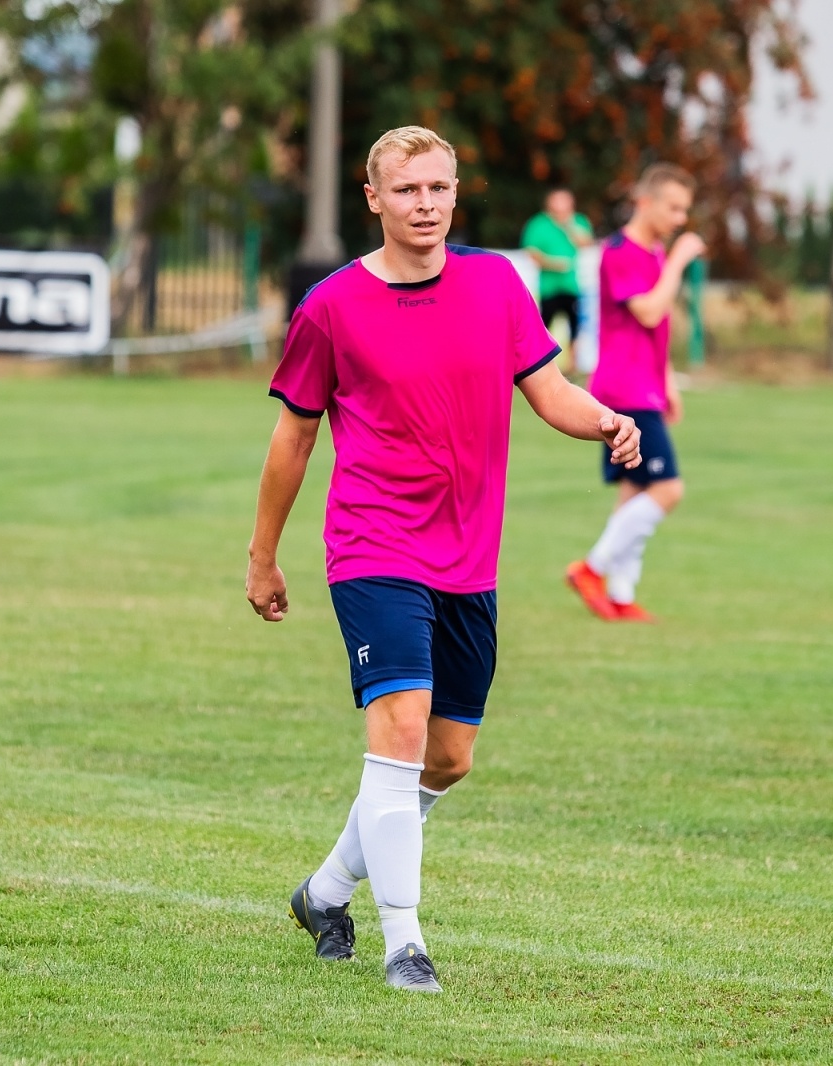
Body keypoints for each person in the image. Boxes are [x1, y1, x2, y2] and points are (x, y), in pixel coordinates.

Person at [246, 126, 640, 992]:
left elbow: (550, 391)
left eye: (438, 188)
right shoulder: (331, 306)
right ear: (374, 198)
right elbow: (292, 440)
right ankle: (403, 944)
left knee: (448, 757)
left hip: (469, 557)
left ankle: (323, 892)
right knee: (399, 728)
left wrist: (607, 418)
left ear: (455, 194)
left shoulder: (497, 284)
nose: (424, 204)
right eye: (407, 190)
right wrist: (263, 556)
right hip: (372, 544)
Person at [564, 164, 701, 622]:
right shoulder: (621, 251)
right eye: (674, 207)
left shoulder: (654, 253)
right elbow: (646, 311)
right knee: (668, 489)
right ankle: (592, 568)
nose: (681, 217)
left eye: (685, 209)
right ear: (645, 202)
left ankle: (621, 594)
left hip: (646, 388)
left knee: (633, 491)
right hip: (624, 390)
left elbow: (656, 331)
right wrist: (680, 262)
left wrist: (668, 381)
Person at [521, 188, 594, 369]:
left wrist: (568, 225)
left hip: (572, 285)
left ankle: (573, 364)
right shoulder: (538, 224)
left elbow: (586, 242)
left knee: (575, 327)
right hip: (549, 287)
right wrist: (554, 263)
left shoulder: (578, 221)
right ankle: (540, 365)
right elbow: (531, 251)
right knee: (544, 328)